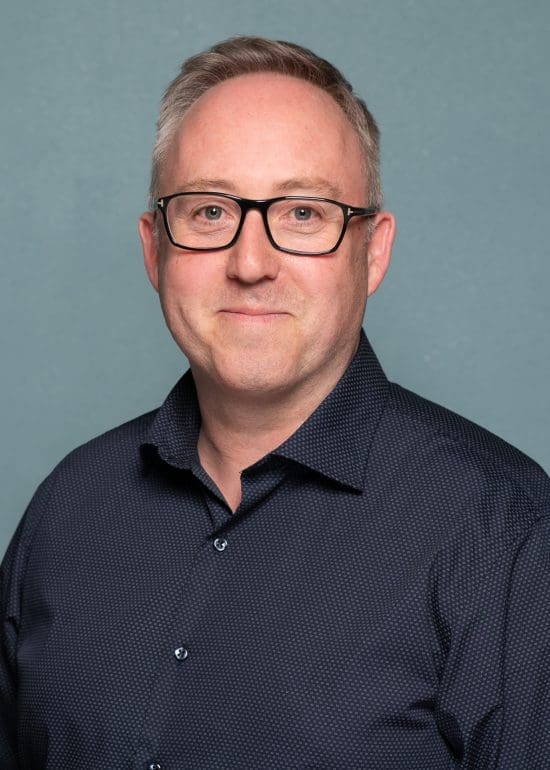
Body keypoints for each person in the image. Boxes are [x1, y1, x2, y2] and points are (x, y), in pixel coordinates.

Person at [1, 35, 549, 770]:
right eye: (208, 211)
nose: (251, 263)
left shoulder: (504, 531)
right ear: (154, 249)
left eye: (302, 214)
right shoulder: (68, 507)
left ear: (373, 252)